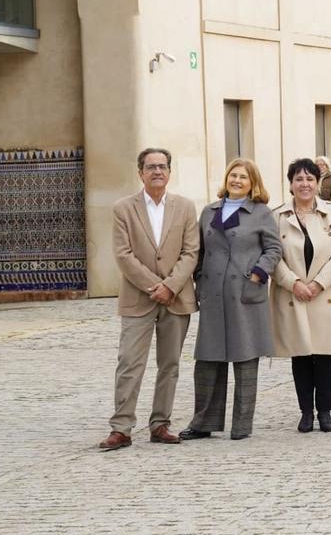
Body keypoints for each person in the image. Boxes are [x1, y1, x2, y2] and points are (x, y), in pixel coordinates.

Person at [98, 148, 200, 450]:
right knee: (129, 362)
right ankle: (122, 427)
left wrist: (171, 286)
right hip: (138, 298)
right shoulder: (123, 208)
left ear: (170, 172)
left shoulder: (185, 207)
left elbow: (190, 252)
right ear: (140, 172)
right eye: (151, 167)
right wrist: (155, 286)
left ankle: (160, 423)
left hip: (176, 297)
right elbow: (123, 254)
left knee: (169, 364)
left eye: (162, 166)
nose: (157, 171)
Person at [181, 158, 281, 441]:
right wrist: (200, 279)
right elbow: (198, 250)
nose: (236, 181)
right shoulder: (208, 211)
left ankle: (241, 425)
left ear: (253, 184)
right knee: (208, 360)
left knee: (245, 358)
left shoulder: (261, 212)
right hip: (213, 293)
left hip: (244, 292)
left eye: (243, 177)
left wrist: (259, 273)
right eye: (233, 175)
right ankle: (203, 423)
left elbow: (274, 249)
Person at [270, 158, 331, 433]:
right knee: (301, 354)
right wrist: (292, 282)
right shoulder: (277, 216)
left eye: (310, 179)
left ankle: (325, 411)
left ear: (318, 183)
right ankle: (306, 412)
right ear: (290, 184)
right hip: (293, 293)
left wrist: (318, 283)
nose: (304, 184)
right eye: (298, 179)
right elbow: (273, 256)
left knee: (325, 354)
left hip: (324, 292)